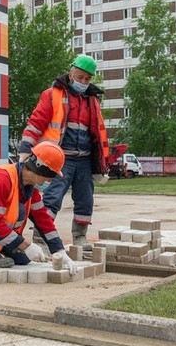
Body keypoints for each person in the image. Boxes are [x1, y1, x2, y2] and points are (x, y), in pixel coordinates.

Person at [18, 54, 109, 250]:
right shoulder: (52, 95)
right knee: (52, 199)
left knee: (85, 200)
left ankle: (80, 238)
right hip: (59, 159)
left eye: (87, 79)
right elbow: (35, 124)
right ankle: (41, 240)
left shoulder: (92, 101)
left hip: (84, 160)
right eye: (80, 77)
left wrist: (102, 163)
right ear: (71, 73)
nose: (83, 82)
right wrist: (25, 150)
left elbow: (98, 134)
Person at [0, 141, 78, 273]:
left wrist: (59, 250)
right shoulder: (1, 180)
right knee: (21, 217)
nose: (50, 180)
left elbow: (43, 220)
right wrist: (26, 245)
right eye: (51, 175)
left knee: (22, 260)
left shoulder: (29, 189)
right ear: (41, 168)